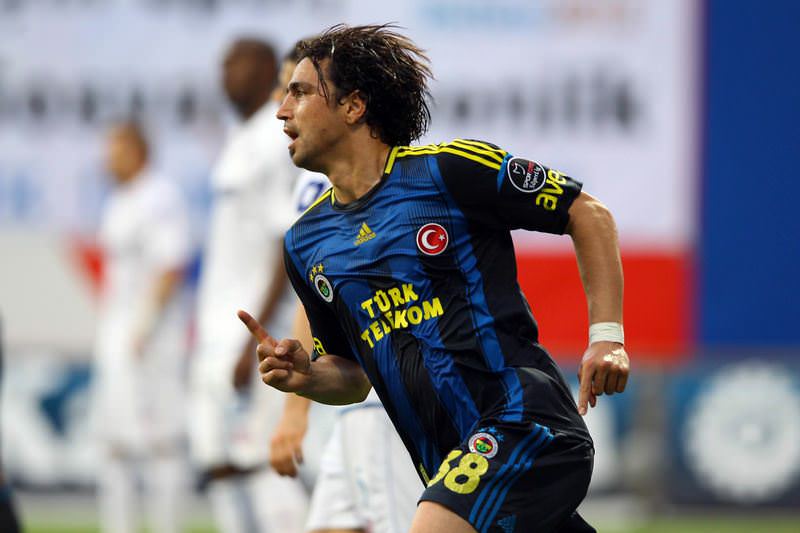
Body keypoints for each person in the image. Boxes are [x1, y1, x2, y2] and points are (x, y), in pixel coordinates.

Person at [241, 24, 631, 533]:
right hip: (448, 462)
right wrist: (307, 377)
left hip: (525, 426)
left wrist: (607, 337)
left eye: (300, 92)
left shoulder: (448, 172)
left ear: (354, 106)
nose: (281, 110)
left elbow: (588, 214)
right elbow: (354, 377)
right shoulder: (306, 243)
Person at [188, 37, 308, 533]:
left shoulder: (274, 139)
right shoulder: (240, 138)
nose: (223, 72)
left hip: (253, 334)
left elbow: (286, 240)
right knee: (219, 466)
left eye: (234, 62)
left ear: (263, 69)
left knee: (262, 465)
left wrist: (251, 339)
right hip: (216, 332)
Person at [271, 164, 422, 533]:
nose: (290, 138)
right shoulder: (320, 178)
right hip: (355, 398)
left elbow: (317, 295)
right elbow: (314, 292)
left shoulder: (364, 172)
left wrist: (294, 413)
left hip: (387, 399)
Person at [92, 121, 191, 533]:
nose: (106, 159)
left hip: (152, 338)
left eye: (114, 150)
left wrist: (145, 326)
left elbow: (171, 265)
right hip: (117, 335)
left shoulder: (159, 196)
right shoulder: (119, 200)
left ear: (137, 151)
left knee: (161, 440)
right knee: (114, 441)